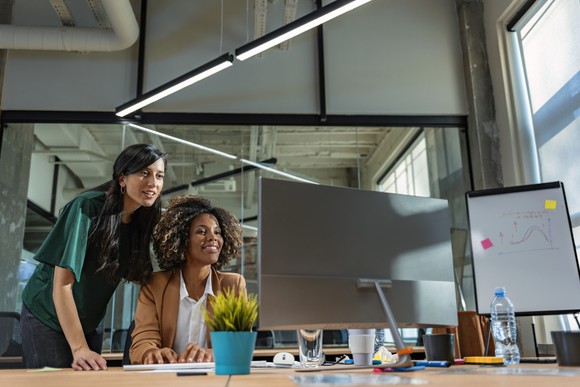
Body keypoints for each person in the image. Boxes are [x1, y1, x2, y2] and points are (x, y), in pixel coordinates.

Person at [20, 143, 167, 371]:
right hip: (48, 315)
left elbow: (141, 276)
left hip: (88, 320)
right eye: (144, 173)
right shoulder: (87, 207)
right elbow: (62, 284)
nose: (153, 183)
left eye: (159, 176)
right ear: (122, 179)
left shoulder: (142, 218)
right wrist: (79, 348)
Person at [129, 194, 245, 365]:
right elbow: (142, 341)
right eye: (201, 231)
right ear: (182, 239)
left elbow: (239, 344)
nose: (213, 237)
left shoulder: (233, 285)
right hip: (166, 379)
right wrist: (152, 353)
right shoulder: (155, 285)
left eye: (217, 232)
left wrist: (211, 354)